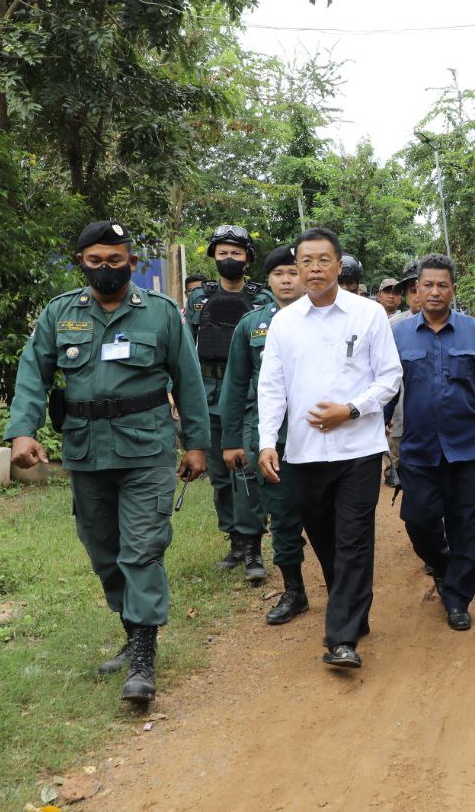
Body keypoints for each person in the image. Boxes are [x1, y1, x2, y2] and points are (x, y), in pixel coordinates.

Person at [6, 220, 210, 704]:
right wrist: (21, 431)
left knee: (141, 549)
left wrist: (196, 444)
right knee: (103, 551)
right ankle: (130, 629)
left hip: (146, 449)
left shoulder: (160, 313)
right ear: (82, 262)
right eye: (95, 260)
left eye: (115, 260)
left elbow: (189, 379)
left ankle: (143, 656)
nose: (105, 269)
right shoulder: (61, 314)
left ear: (132, 263)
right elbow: (33, 373)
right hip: (85, 450)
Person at [257, 227, 402, 670]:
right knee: (324, 539)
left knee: (353, 540)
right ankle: (354, 607)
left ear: (339, 265)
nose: (315, 269)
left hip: (357, 449)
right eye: (306, 261)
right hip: (303, 453)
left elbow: (390, 376)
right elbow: (272, 386)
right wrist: (267, 440)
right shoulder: (284, 323)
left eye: (324, 260)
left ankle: (340, 638)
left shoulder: (368, 314)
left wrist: (351, 410)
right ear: (296, 268)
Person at [389, 254, 475, 631]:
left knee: (465, 525)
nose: (435, 291)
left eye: (443, 285)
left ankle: (457, 598)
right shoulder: (398, 335)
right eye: (428, 285)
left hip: (467, 447)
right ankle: (441, 565)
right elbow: (387, 393)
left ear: (453, 290)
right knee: (418, 519)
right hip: (418, 448)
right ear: (416, 290)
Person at [218, 245, 311, 625]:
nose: (287, 279)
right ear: (268, 280)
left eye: (293, 271)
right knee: (283, 515)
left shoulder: (325, 318)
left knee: (330, 516)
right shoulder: (251, 324)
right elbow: (235, 385)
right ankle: (294, 590)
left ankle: (343, 588)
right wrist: (231, 440)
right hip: (271, 438)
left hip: (320, 436)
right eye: (279, 274)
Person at [185, 224, 275, 579]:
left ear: (248, 259)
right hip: (207, 393)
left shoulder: (262, 300)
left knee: (247, 469)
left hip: (249, 395)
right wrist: (180, 395)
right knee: (220, 475)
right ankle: (235, 541)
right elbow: (187, 348)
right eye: (222, 253)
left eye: (236, 253)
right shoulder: (198, 299)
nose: (228, 259)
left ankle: (253, 546)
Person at [384, 262, 421, 490]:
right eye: (412, 291)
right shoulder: (393, 326)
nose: (418, 296)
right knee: (398, 447)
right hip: (399, 402)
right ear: (406, 295)